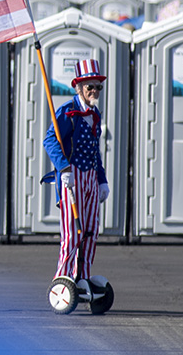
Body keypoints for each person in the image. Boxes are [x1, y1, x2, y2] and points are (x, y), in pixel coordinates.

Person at [42, 58, 110, 291]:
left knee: (90, 231)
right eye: (90, 86)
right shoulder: (68, 112)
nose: (94, 90)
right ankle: (62, 278)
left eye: (98, 86)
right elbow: (50, 140)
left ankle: (82, 275)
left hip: (90, 178)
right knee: (72, 234)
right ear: (78, 87)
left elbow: (94, 150)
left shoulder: (94, 114)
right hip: (72, 179)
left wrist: (102, 180)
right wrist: (63, 168)